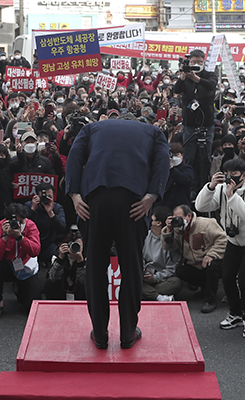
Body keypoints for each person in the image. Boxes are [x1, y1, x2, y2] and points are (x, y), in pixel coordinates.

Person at [66, 116, 170, 350]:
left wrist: (74, 196)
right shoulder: (154, 132)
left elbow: (74, 156)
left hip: (95, 200)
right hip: (132, 200)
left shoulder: (91, 128)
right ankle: (128, 333)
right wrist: (152, 196)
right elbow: (163, 162)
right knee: (131, 266)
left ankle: (100, 333)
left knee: (95, 266)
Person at [197, 159, 245, 339]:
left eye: (234, 174)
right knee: (227, 277)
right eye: (227, 173)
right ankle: (235, 313)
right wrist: (211, 187)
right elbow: (200, 206)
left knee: (244, 280)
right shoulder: (222, 188)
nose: (230, 178)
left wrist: (232, 196)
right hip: (234, 240)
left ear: (244, 175)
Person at [161, 204, 226, 313]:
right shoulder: (177, 229)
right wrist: (168, 230)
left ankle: (210, 300)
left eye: (180, 218)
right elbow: (168, 247)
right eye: (175, 218)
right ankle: (205, 289)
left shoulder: (206, 224)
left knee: (211, 266)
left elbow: (223, 240)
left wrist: (211, 254)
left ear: (189, 216)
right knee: (181, 271)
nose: (178, 221)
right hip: (195, 264)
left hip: (214, 261)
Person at [0, 202, 41, 321]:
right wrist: (4, 237)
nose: (17, 225)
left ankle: (19, 289)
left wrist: (21, 238)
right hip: (6, 265)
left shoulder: (30, 225)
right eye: (14, 222)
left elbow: (35, 250)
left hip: (25, 266)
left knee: (31, 307)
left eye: (20, 222)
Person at [173, 49, 218, 169]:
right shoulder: (186, 76)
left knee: (206, 155)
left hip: (207, 121)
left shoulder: (210, 75)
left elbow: (211, 85)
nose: (196, 64)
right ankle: (190, 182)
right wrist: (183, 76)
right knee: (189, 156)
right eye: (193, 62)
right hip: (190, 121)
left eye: (199, 61)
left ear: (204, 62)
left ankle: (206, 180)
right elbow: (176, 90)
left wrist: (195, 78)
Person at [141, 207, 182, 302]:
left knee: (177, 283)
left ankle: (148, 294)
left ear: (158, 223)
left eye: (152, 219)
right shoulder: (145, 236)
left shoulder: (170, 240)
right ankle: (159, 297)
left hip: (163, 279)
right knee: (131, 280)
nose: (149, 221)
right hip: (145, 276)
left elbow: (173, 268)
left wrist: (155, 278)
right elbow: (139, 257)